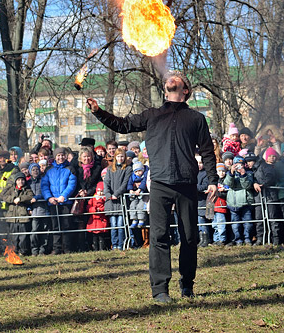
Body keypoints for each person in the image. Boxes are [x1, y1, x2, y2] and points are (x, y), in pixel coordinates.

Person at [87, 70, 217, 303]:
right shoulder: (152, 115)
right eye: (170, 77)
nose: (172, 77)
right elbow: (123, 125)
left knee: (189, 237)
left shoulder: (196, 119)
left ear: (185, 90)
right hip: (159, 184)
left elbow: (207, 151)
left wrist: (214, 181)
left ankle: (187, 285)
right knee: (158, 236)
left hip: (187, 184)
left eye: (178, 78)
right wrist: (99, 112)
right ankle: (160, 290)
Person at [41, 148, 77, 254]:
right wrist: (49, 197)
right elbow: (44, 185)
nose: (60, 157)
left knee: (66, 225)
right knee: (55, 225)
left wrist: (64, 196)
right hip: (53, 202)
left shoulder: (70, 169)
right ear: (55, 157)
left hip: (65, 202)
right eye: (58, 155)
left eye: (62, 155)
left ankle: (67, 248)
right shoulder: (49, 170)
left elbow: (72, 184)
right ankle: (57, 248)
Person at [104, 150, 131, 250]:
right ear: (115, 157)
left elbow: (125, 183)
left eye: (122, 156)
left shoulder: (127, 169)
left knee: (120, 224)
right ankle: (114, 244)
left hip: (120, 201)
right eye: (118, 156)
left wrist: (116, 194)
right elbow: (106, 182)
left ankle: (121, 245)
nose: (120, 158)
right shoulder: (110, 169)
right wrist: (108, 194)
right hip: (111, 201)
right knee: (113, 225)